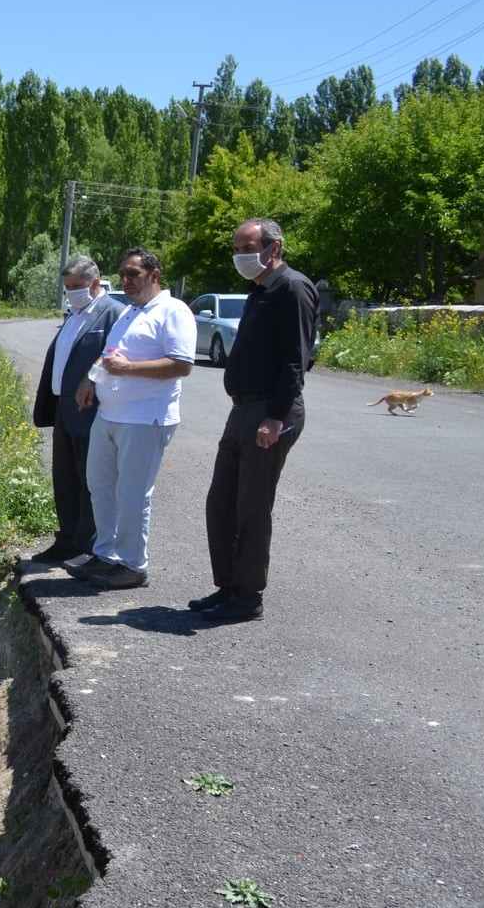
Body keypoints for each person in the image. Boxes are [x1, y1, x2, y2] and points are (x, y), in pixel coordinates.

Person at [190, 218, 318, 622]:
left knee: (252, 507)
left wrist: (275, 417)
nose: (240, 256)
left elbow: (295, 360)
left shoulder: (292, 288)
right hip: (243, 410)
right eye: (237, 249)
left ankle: (247, 598)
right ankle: (228, 587)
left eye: (248, 248)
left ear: (273, 248)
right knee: (221, 502)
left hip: (269, 412)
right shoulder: (260, 289)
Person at [65, 248, 195, 590]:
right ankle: (106, 555)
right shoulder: (130, 312)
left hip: (145, 418)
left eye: (134, 274)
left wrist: (129, 369)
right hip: (109, 414)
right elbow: (110, 354)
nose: (126, 281)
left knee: (132, 494)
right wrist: (90, 378)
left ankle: (133, 565)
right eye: (123, 274)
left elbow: (182, 364)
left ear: (155, 275)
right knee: (100, 486)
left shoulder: (173, 310)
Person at [29, 256, 128, 564]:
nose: (71, 292)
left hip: (91, 410)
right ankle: (67, 539)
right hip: (64, 408)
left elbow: (116, 356)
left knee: (91, 482)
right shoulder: (74, 315)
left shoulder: (112, 313)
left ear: (94, 283)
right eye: (67, 287)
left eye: (76, 286)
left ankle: (89, 546)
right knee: (65, 478)